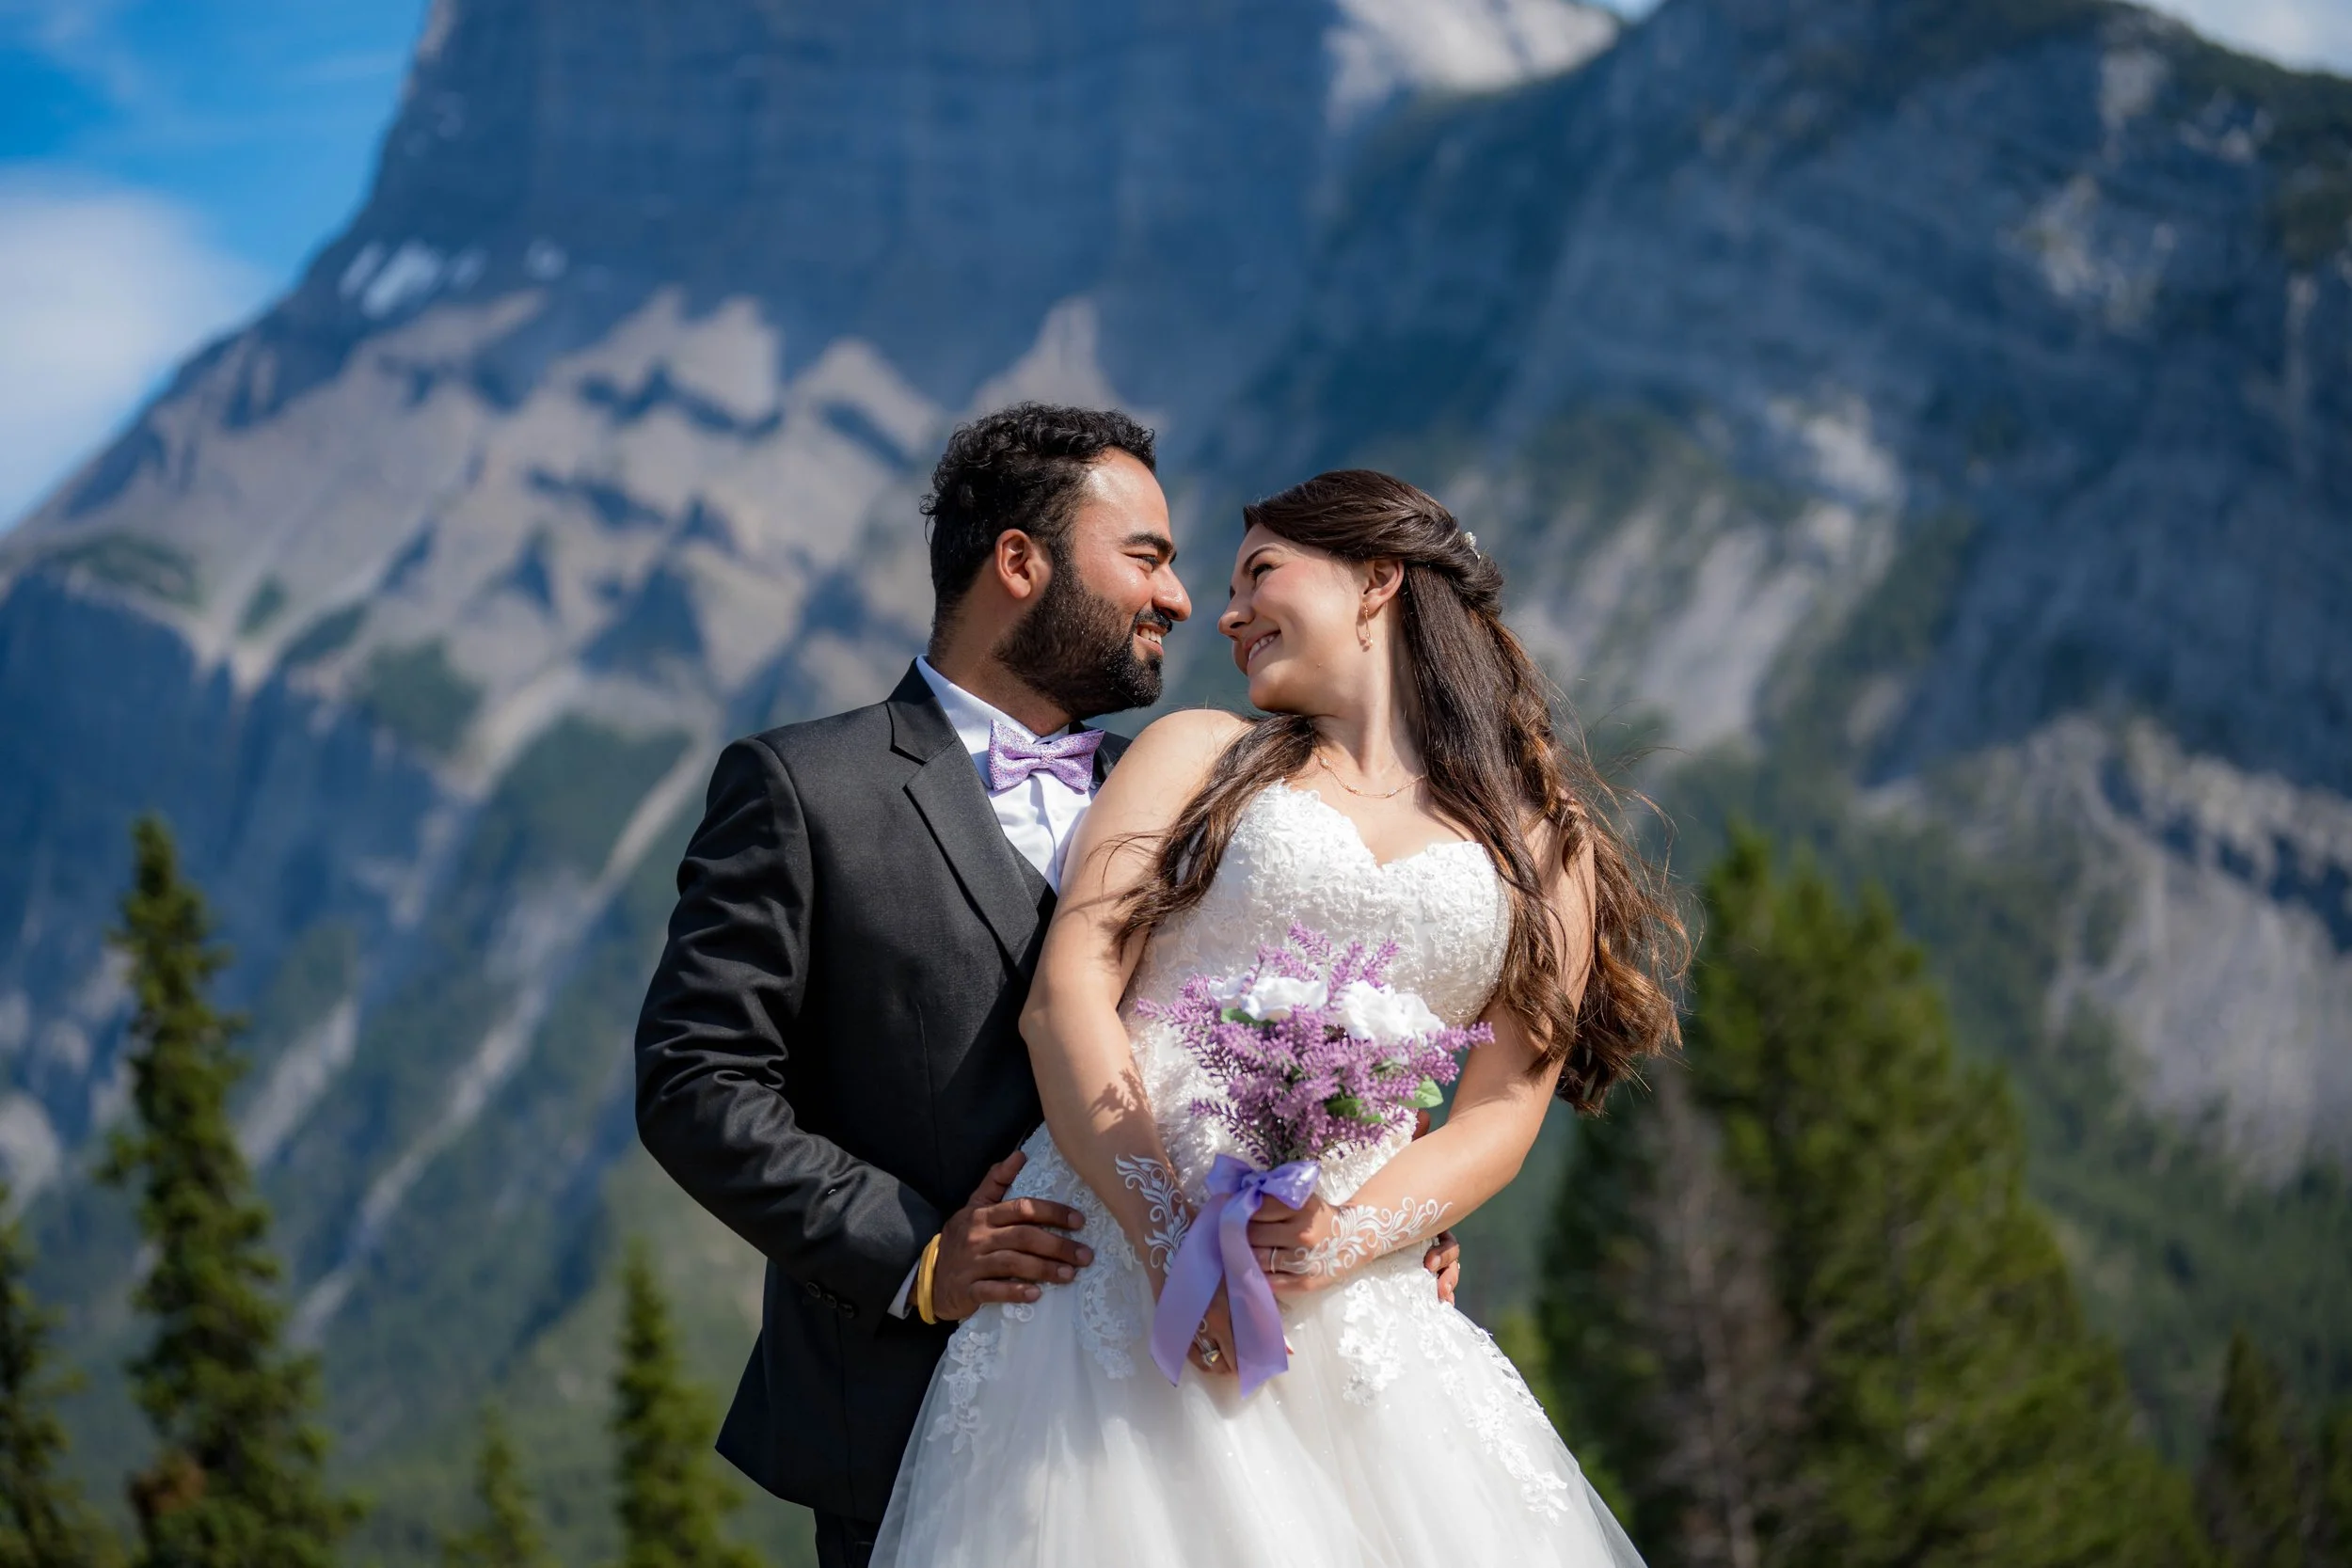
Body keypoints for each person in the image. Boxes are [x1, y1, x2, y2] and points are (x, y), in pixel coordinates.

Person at [632, 407, 1461, 1568]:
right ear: (1019, 562)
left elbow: (1307, 1024)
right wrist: (917, 1255)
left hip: (1198, 1397)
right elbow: (694, 1081)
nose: (1179, 602)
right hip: (915, 1404)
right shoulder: (803, 788)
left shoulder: (1214, 797)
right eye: (1147, 557)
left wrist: (1372, 1213)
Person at [871, 468, 1688, 1566]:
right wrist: (1164, 1235)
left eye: (1259, 571)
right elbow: (1067, 993)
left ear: (1376, 581)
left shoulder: (1545, 844)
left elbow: (1498, 1114)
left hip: (1348, 1301)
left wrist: (1339, 1243)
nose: (1225, 612)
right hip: (1114, 1264)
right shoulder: (1194, 755)